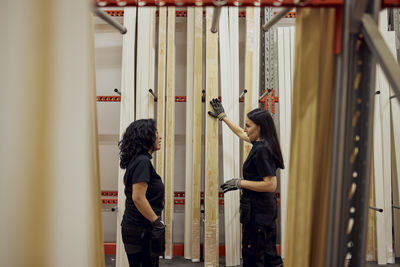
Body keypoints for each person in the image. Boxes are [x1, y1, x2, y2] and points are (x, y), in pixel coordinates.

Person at [208, 98, 284, 267]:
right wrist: (224, 117)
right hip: (261, 211)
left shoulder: (262, 150)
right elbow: (242, 134)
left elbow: (271, 185)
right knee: (266, 254)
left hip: (260, 212)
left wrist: (240, 183)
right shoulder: (261, 142)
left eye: (249, 125)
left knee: (257, 256)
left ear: (260, 127)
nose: (245, 129)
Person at [118, 119, 165, 267]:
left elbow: (128, 185)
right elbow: (138, 197)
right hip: (140, 231)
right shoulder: (142, 161)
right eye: (156, 133)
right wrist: (157, 222)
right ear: (146, 136)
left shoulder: (136, 160)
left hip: (136, 228)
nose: (160, 136)